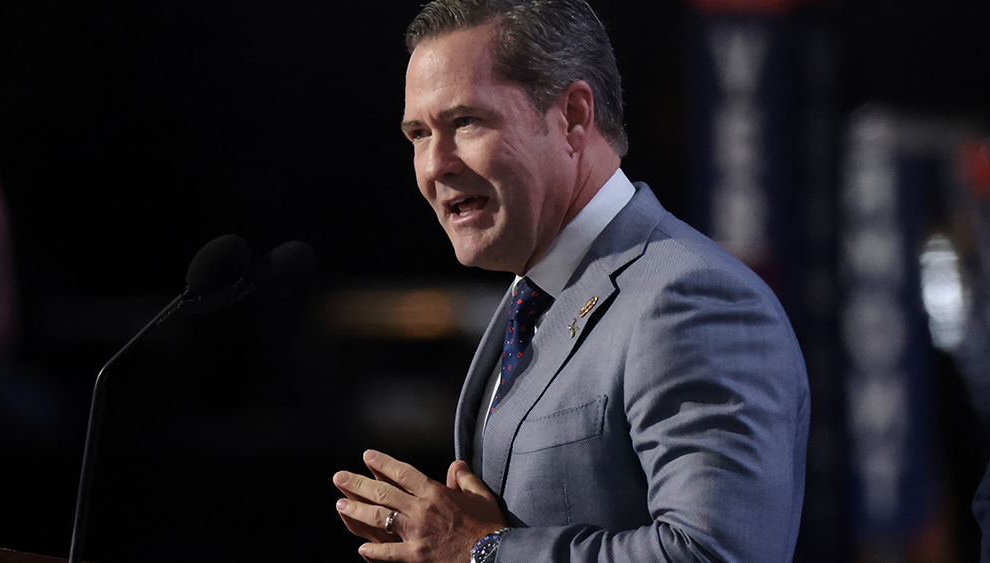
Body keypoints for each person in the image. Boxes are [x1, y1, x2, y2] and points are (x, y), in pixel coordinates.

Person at [333, 0, 810, 561]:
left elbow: (715, 553)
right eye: (418, 133)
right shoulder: (533, 294)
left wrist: (482, 551)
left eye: (465, 122)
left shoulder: (693, 299)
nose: (435, 164)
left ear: (574, 117)